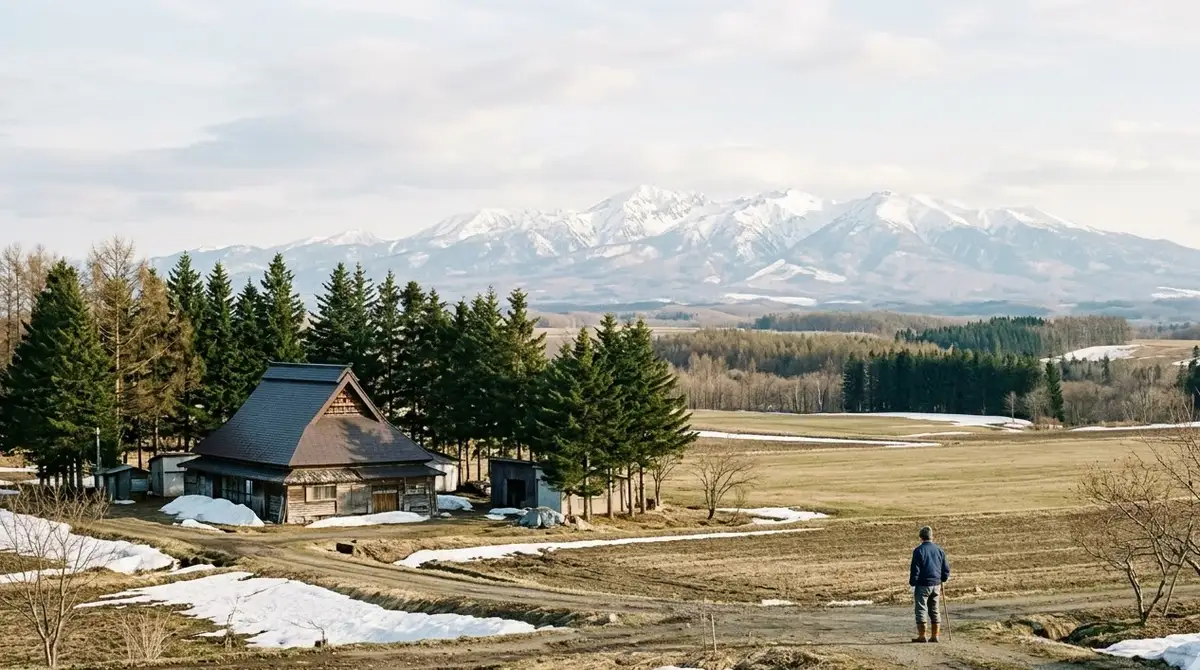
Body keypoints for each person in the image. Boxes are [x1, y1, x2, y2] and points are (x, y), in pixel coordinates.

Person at [909, 525, 950, 643]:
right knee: (934, 608)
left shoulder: (919, 550)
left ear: (920, 537)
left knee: (921, 608)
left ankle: (922, 636)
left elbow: (915, 569)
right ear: (932, 537)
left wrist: (913, 583)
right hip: (936, 584)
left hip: (922, 584)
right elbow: (946, 568)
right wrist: (943, 578)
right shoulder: (939, 550)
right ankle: (935, 635)